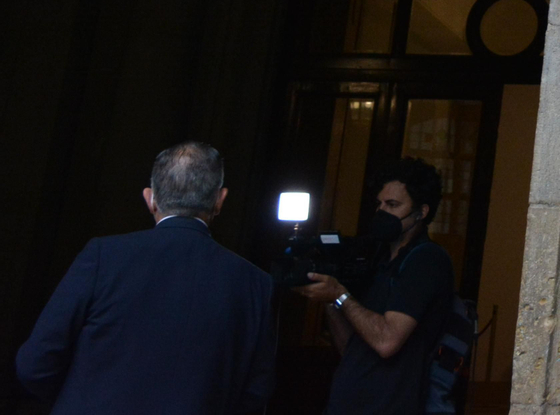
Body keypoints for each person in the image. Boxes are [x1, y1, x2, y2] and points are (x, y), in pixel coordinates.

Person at [14, 141, 275, 415]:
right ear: (220, 200)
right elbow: (256, 393)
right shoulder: (255, 284)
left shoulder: (103, 256)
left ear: (150, 198)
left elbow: (35, 364)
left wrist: (80, 401)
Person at [295, 158, 455, 415]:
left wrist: (340, 294)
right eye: (379, 204)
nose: (382, 212)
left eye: (392, 205)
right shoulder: (378, 260)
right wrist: (331, 299)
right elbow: (352, 347)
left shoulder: (426, 260)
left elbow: (386, 341)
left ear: (422, 212)